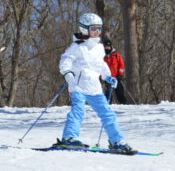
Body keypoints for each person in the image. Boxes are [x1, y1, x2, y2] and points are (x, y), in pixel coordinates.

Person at [53, 13, 135, 153]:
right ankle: (69, 138)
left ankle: (116, 141)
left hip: (94, 87)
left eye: (99, 29)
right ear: (84, 29)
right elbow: (65, 60)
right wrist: (67, 73)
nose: (97, 32)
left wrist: (108, 76)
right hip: (78, 85)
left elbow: (100, 65)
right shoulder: (77, 46)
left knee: (107, 113)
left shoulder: (99, 47)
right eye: (94, 29)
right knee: (78, 112)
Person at [102, 37, 127, 104]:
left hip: (116, 77)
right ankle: (108, 104)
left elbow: (121, 65)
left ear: (111, 47)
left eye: (108, 47)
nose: (107, 48)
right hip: (108, 78)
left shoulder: (116, 55)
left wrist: (120, 74)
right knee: (108, 92)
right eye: (106, 47)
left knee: (120, 92)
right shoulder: (103, 56)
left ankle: (123, 104)